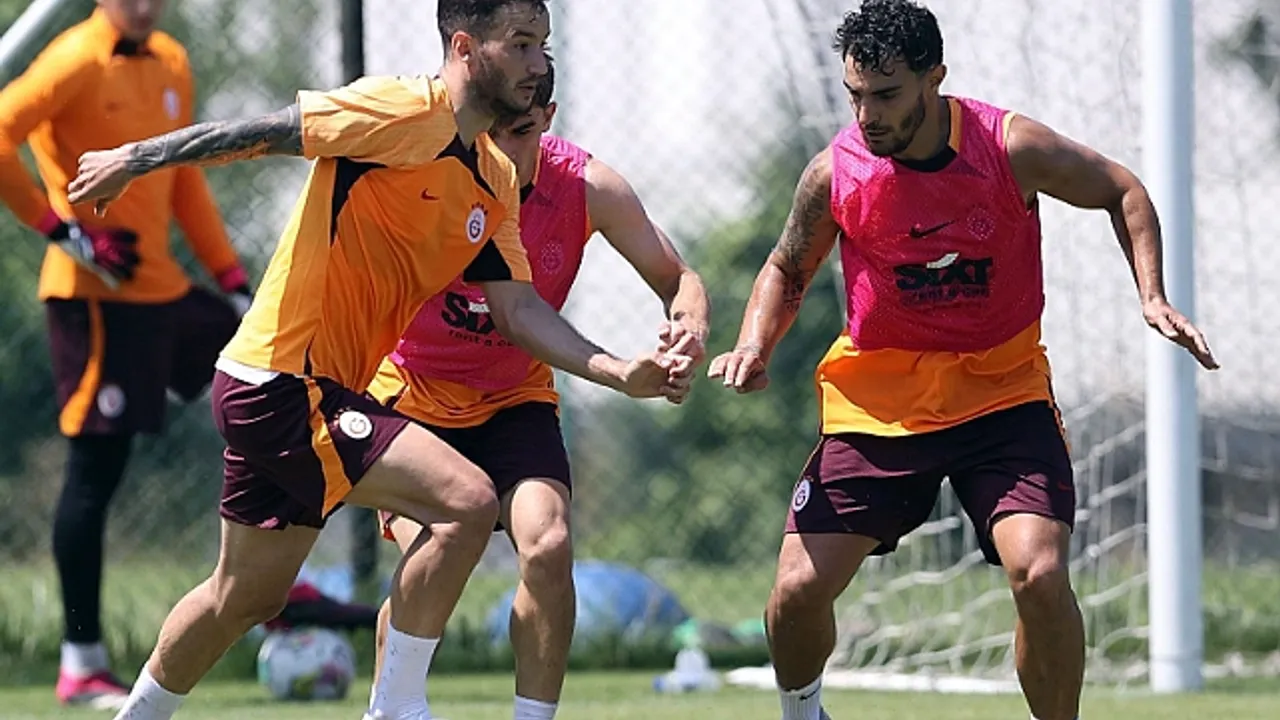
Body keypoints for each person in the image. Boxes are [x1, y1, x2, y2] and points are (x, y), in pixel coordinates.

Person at [67, 3, 688, 719]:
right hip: (282, 380)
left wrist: (619, 371)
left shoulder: (492, 178)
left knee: (244, 596)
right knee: (467, 502)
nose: (538, 63)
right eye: (520, 44)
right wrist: (133, 158)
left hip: (308, 391)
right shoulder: (401, 110)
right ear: (465, 47)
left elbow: (517, 311)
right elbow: (262, 133)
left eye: (543, 45)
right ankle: (395, 710)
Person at [707, 2, 1219, 720]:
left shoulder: (1009, 148)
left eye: (886, 95)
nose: (867, 116)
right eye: (856, 95)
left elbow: (1120, 188)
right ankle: (804, 714)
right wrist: (754, 346)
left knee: (1039, 574)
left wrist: (1152, 294)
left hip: (1002, 395)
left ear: (935, 78)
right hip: (879, 405)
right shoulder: (836, 172)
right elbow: (788, 267)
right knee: (795, 592)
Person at [367, 55, 710, 720]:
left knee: (549, 547)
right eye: (489, 131)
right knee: (440, 552)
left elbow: (679, 278)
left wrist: (688, 329)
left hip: (513, 399)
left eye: (520, 131)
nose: (501, 150)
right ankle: (391, 706)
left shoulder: (587, 186)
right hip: (413, 395)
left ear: (548, 119)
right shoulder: (428, 173)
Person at [0, 0, 254, 708]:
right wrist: (64, 231)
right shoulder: (74, 58)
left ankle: (270, 590)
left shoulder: (172, 59)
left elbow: (185, 177)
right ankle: (81, 660)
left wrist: (231, 278)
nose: (145, 4)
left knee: (272, 379)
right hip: (95, 299)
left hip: (164, 293)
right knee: (96, 471)